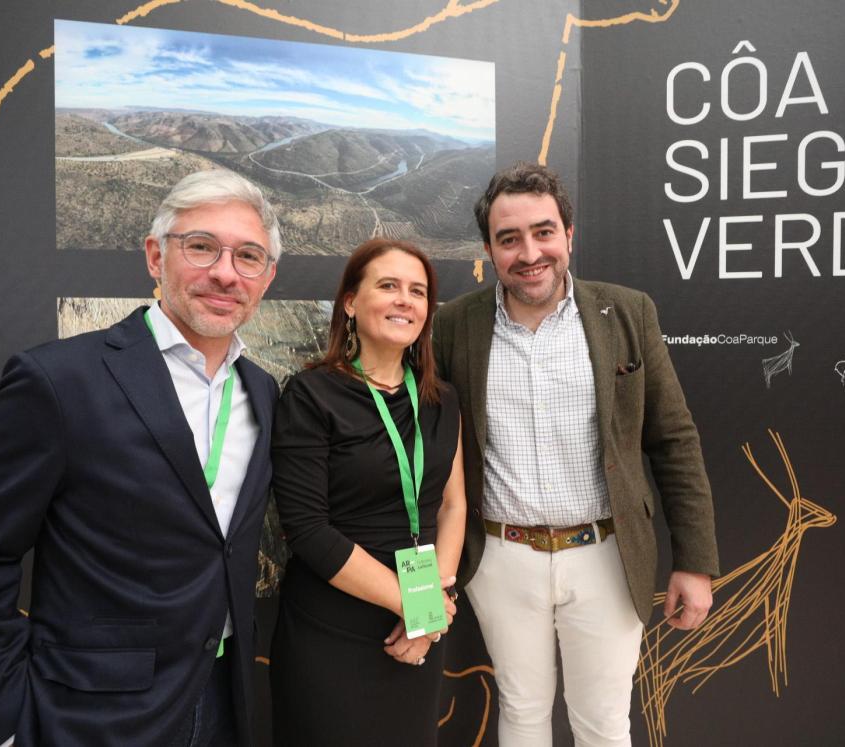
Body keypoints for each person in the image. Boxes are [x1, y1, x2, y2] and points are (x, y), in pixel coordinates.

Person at [0, 169, 282, 747]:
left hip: (224, 700)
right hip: (90, 716)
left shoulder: (261, 393)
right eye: (201, 247)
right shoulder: (58, 380)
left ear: (266, 278)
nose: (224, 272)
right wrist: (4, 722)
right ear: (154, 256)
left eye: (248, 256)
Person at [432, 162, 719, 746]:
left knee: (604, 722)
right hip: (501, 558)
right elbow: (430, 455)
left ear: (569, 235)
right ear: (488, 248)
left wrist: (695, 561)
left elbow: (674, 439)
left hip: (607, 556)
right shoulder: (452, 326)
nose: (529, 252)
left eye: (543, 232)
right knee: (521, 712)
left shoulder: (628, 312)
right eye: (508, 238)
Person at [269, 239, 466, 747]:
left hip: (420, 628)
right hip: (332, 628)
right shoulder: (311, 395)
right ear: (351, 302)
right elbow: (308, 531)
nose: (406, 300)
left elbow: (451, 505)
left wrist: (425, 615)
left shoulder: (442, 400)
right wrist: (415, 605)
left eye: (418, 291)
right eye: (389, 286)